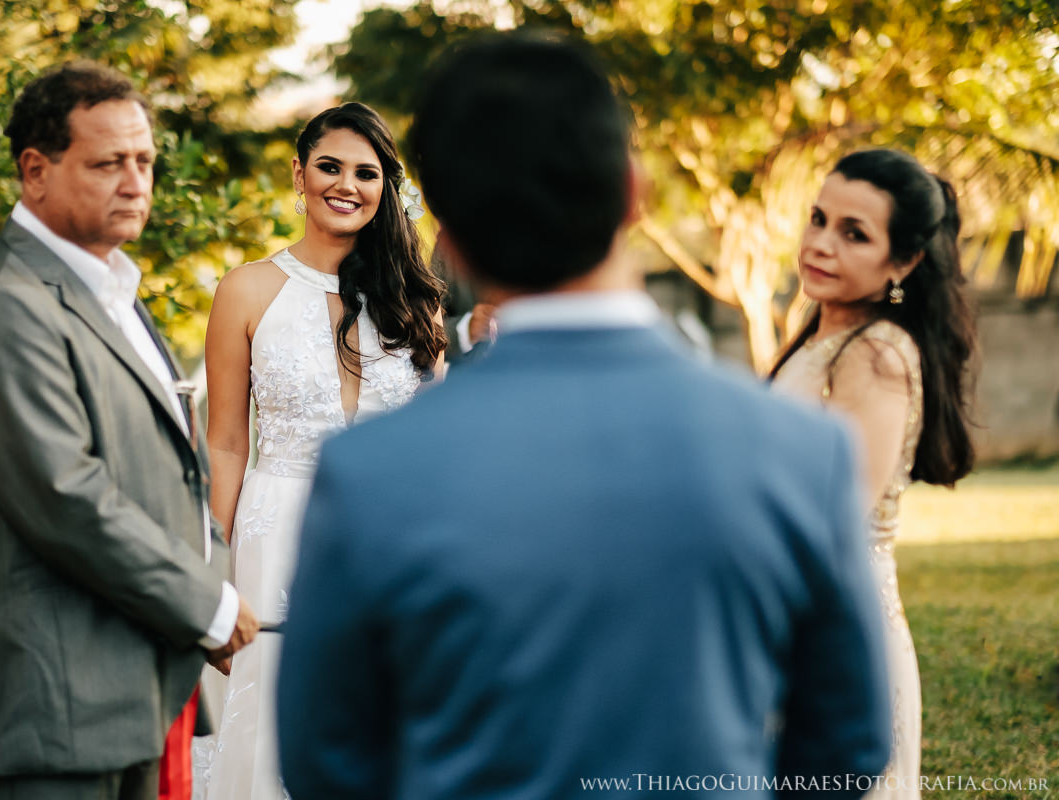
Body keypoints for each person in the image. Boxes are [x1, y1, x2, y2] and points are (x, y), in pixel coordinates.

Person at [277, 32, 893, 800]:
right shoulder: (802, 452)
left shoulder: (368, 472)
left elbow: (324, 762)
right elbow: (847, 749)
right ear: (633, 193)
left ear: (449, 234)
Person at [0, 61, 260, 800]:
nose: (136, 181)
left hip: (131, 690)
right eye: (109, 163)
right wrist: (205, 604)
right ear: (35, 171)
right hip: (51, 707)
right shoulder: (3, 307)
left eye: (144, 161)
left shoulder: (110, 287)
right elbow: (66, 496)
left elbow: (169, 469)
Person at [193, 102, 446, 800]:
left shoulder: (416, 304)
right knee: (272, 724)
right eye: (330, 166)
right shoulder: (246, 289)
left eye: (367, 173)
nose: (347, 184)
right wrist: (212, 569)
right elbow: (226, 443)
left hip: (387, 542)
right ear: (299, 174)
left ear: (385, 189)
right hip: (273, 536)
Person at [770, 148, 977, 799]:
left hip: (837, 633)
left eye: (853, 234)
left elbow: (835, 515)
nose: (820, 244)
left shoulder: (877, 354)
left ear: (905, 262)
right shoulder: (824, 335)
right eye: (818, 218)